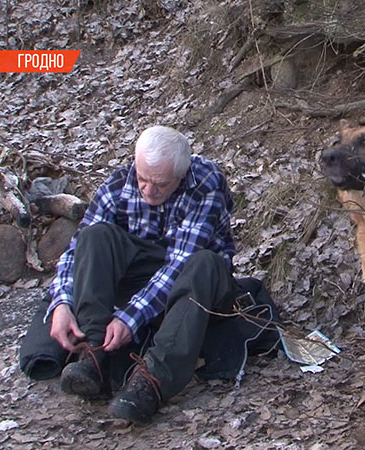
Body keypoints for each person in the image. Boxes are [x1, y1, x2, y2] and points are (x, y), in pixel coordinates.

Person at [47, 125, 240, 423]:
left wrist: (130, 318)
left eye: (161, 184)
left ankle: (151, 380)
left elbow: (180, 262)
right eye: (143, 179)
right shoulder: (118, 183)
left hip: (198, 279)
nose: (149, 191)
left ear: (181, 174)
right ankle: (94, 352)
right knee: (97, 235)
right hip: (145, 272)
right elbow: (77, 250)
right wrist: (62, 302)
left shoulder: (206, 184)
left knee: (205, 262)